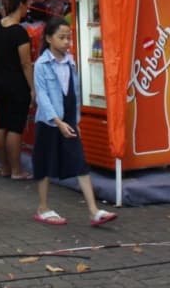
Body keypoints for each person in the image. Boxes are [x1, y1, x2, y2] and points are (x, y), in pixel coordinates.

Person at [31, 18, 118, 227]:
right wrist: (58, 121)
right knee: (44, 164)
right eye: (61, 38)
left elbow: (75, 94)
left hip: (68, 120)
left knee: (80, 162)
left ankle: (94, 211)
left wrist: (75, 120)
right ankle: (42, 207)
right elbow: (42, 97)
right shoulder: (41, 65)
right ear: (49, 39)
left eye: (68, 37)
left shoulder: (71, 62)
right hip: (49, 122)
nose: (66, 42)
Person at [0, 0, 35, 180]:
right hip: (16, 83)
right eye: (26, 4)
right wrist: (33, 87)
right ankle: (17, 170)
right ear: (21, 5)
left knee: (2, 125)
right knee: (15, 127)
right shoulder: (19, 32)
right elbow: (25, 63)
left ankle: (4, 168)